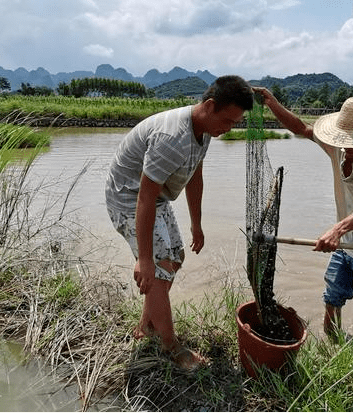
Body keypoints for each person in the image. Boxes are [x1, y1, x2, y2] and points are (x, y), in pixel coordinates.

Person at [106, 76, 253, 370]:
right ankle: (171, 346)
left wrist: (196, 224)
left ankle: (147, 326)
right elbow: (144, 199)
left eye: (235, 123)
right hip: (128, 199)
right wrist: (144, 258)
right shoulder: (172, 139)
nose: (228, 129)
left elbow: (194, 177)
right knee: (159, 268)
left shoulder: (205, 130)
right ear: (209, 106)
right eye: (227, 120)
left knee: (175, 259)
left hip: (155, 197)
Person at [253, 88, 353, 351]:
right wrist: (272, 103)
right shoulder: (338, 149)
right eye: (345, 141)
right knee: (331, 300)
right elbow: (302, 128)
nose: (347, 148)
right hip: (343, 245)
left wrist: (337, 230)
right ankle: (332, 352)